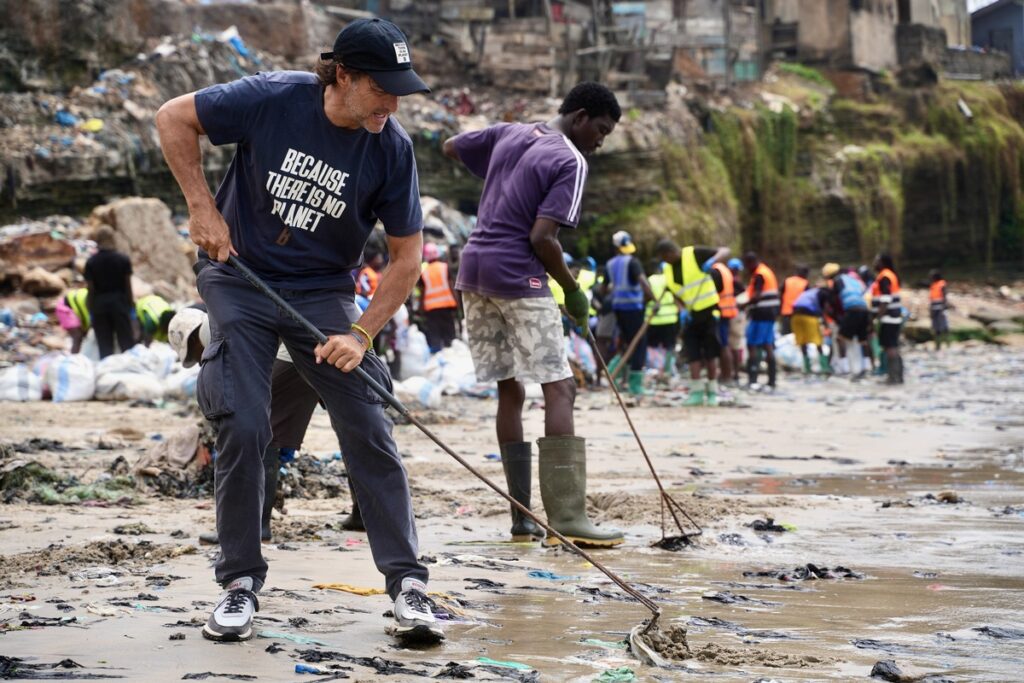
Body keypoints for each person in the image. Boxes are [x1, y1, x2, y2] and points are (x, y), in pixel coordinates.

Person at [156, 17, 441, 643]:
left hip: (324, 293)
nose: (392, 104)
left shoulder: (391, 147)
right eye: (381, 89)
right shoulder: (274, 97)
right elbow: (173, 117)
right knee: (245, 421)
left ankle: (409, 585)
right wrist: (203, 210)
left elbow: (406, 259)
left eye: (400, 91)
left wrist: (360, 336)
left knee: (368, 420)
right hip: (240, 278)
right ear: (342, 74)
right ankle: (239, 584)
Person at [442, 81, 624, 548]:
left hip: (473, 269)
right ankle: (566, 517)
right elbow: (543, 238)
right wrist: (572, 288)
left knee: (510, 390)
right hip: (519, 276)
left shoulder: (511, 133)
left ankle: (522, 518)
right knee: (559, 387)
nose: (600, 142)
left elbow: (451, 146)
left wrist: (501, 179)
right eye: (600, 130)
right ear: (580, 116)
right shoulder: (570, 159)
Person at [168, 308, 365, 546]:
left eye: (194, 353)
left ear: (191, 337)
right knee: (353, 428)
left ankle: (254, 526)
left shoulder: (212, 332)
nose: (199, 359)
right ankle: (363, 514)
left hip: (301, 347)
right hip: (343, 335)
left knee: (263, 429)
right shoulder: (222, 316)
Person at [655, 241, 730, 406]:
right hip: (690, 315)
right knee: (692, 353)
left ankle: (712, 390)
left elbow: (725, 250)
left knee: (711, 353)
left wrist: (713, 260)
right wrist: (681, 309)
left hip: (709, 311)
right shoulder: (667, 270)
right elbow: (674, 293)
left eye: (665, 257)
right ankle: (696, 392)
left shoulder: (693, 254)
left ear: (670, 252)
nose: (665, 261)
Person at [604, 230, 654, 397]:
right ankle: (635, 385)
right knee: (639, 344)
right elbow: (644, 284)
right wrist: (653, 300)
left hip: (618, 308)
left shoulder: (610, 264)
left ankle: (614, 373)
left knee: (627, 343)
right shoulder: (633, 262)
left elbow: (604, 289)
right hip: (633, 308)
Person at [85, 226, 136, 359]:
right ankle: (131, 371)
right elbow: (128, 286)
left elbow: (91, 289)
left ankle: (107, 374)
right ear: (113, 238)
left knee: (105, 346)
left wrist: (90, 309)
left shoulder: (91, 262)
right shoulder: (123, 259)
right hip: (120, 304)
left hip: (99, 306)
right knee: (126, 344)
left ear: (97, 240)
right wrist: (130, 306)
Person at [824, 262, 870, 379]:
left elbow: (834, 300)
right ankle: (866, 367)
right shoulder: (853, 280)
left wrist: (837, 317)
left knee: (840, 339)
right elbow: (863, 292)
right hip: (864, 308)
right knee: (863, 340)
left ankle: (845, 369)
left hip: (852, 308)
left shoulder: (837, 281)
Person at [741, 252, 780, 390]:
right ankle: (772, 380)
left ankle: (752, 379)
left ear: (750, 263)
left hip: (761, 314)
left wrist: (743, 305)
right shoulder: (766, 271)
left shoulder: (759, 274)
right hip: (770, 314)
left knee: (752, 345)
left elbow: (757, 296)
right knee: (767, 345)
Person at [644, 258, 681, 383]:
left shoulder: (649, 280)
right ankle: (667, 371)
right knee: (669, 347)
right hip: (670, 319)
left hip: (653, 320)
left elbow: (645, 298)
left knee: (652, 347)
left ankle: (654, 370)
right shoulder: (669, 280)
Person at [418, 242, 459, 352]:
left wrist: (420, 308)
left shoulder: (423, 272)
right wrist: (457, 302)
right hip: (446, 304)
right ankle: (451, 353)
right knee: (449, 332)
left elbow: (422, 292)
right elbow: (451, 286)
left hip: (431, 307)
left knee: (435, 333)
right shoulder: (445, 267)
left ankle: (438, 355)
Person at [871, 253, 904, 384]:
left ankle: (894, 376)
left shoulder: (885, 277)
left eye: (876, 260)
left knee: (890, 347)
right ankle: (897, 376)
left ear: (882, 262)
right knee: (892, 346)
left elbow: (885, 299)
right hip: (893, 317)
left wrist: (877, 317)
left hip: (889, 318)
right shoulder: (889, 275)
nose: (874, 263)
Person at [790, 285, 831, 374]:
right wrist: (825, 324)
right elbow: (824, 309)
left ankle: (807, 368)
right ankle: (824, 367)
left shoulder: (807, 292)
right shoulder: (823, 293)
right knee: (817, 341)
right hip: (809, 317)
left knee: (802, 341)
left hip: (795, 316)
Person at [712, 259, 738, 384]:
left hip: (720, 311)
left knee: (723, 345)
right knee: (724, 344)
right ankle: (726, 375)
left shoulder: (716, 271)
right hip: (727, 311)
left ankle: (726, 376)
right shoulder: (725, 270)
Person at [56, 287, 90, 354]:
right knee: (77, 336)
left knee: (81, 335)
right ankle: (73, 358)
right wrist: (86, 328)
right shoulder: (89, 299)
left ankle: (78, 355)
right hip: (65, 309)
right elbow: (86, 315)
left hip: (72, 307)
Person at [779, 264, 809, 336]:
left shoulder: (787, 280)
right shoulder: (805, 283)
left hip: (786, 313)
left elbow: (780, 293)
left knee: (786, 336)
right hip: (800, 313)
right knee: (800, 336)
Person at [929, 269, 950, 351]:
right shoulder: (933, 285)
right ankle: (938, 345)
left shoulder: (942, 284)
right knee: (936, 327)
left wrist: (943, 307)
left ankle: (948, 344)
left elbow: (944, 297)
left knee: (944, 326)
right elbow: (931, 299)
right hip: (934, 308)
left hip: (941, 308)